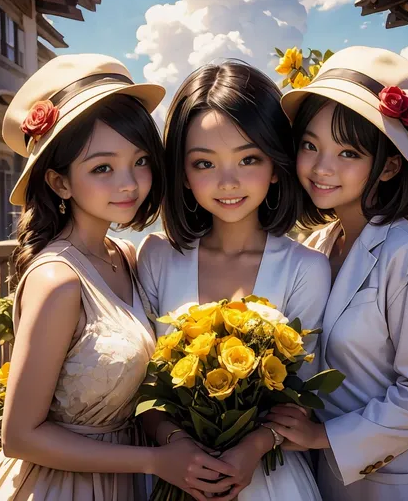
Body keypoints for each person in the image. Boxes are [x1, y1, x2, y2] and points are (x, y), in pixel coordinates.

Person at [0, 54, 235, 501]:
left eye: (140, 161)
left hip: (125, 478)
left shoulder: (124, 255)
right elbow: (19, 436)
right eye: (102, 168)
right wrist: (153, 460)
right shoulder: (58, 279)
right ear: (60, 183)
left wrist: (173, 441)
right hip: (62, 485)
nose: (129, 183)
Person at [265, 46, 408, 501]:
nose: (321, 167)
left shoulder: (403, 251)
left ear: (391, 164)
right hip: (333, 478)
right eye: (310, 145)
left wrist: (323, 437)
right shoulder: (318, 245)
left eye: (348, 152)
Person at [138, 60, 331, 501]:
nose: (228, 182)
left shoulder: (306, 267)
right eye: (204, 163)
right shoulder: (157, 257)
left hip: (272, 481)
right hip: (175, 474)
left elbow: (300, 393)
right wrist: (176, 443)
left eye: (248, 159)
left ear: (277, 165)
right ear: (183, 176)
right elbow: (145, 388)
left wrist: (252, 448)